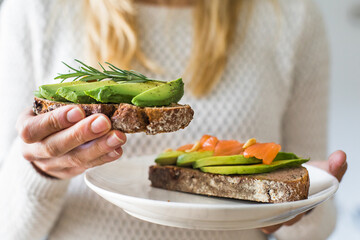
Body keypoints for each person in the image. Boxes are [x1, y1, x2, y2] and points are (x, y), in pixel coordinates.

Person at [0, 0, 347, 239]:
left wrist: (306, 202)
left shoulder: (291, 15)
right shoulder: (35, 8)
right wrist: (40, 171)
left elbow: (318, 222)